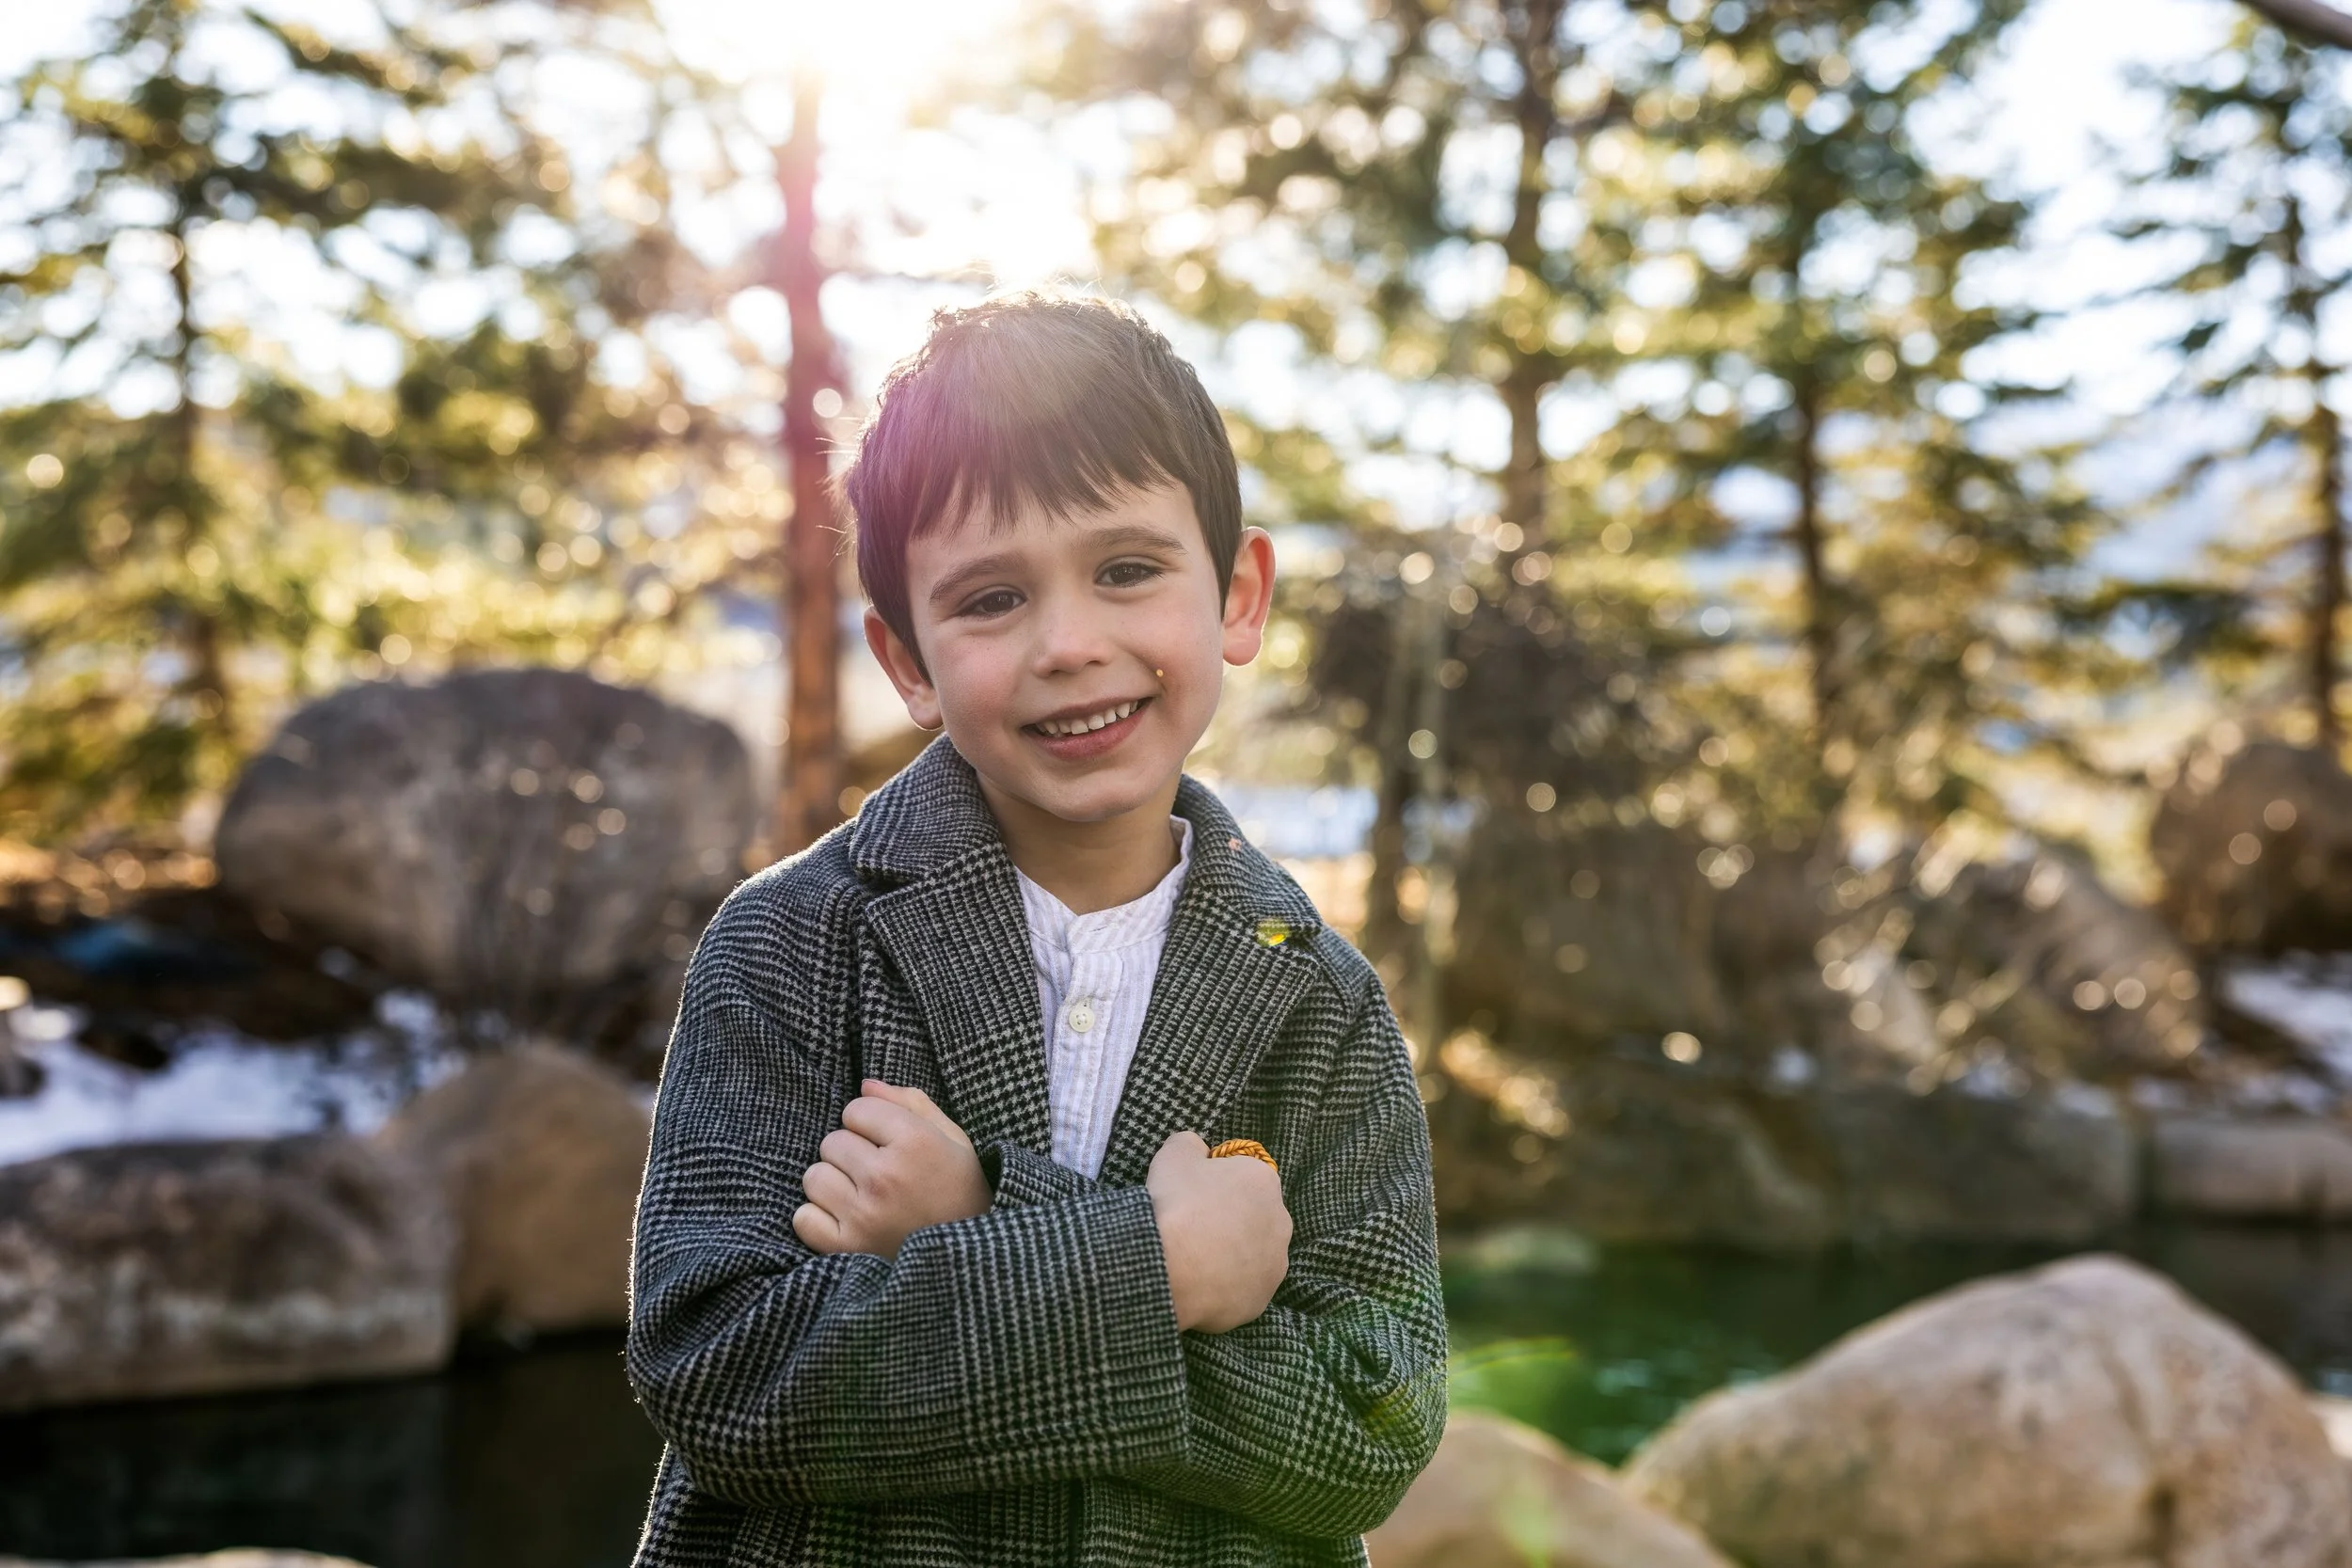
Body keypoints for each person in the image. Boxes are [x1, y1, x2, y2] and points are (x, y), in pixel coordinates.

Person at [625, 292, 1447, 1567]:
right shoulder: (786, 945)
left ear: (1238, 594)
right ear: (906, 661)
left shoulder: (1320, 1003)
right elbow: (720, 1371)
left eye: (1127, 569)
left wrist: (988, 1217)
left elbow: (1367, 1429)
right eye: (993, 598)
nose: (1070, 644)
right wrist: (1159, 1272)